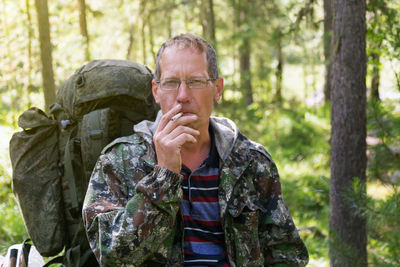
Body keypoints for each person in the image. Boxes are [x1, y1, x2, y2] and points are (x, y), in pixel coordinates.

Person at [82, 33, 308, 266]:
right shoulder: (117, 161)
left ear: (217, 89)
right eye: (171, 83)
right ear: (156, 91)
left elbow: (286, 253)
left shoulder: (251, 161)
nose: (182, 96)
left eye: (195, 81)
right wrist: (164, 177)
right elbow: (111, 256)